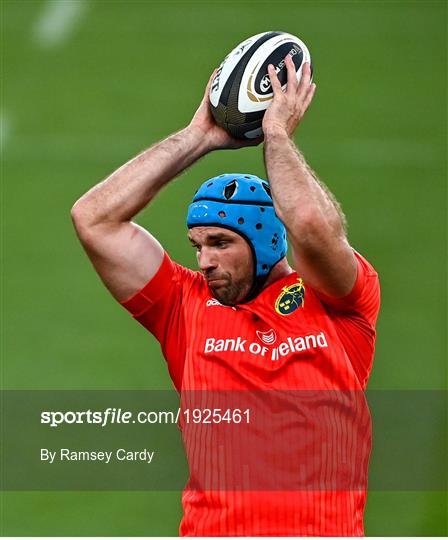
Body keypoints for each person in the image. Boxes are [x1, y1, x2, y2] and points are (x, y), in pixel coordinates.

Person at [72, 57, 380, 536]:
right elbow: (94, 219)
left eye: (220, 243)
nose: (204, 261)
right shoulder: (184, 307)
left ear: (265, 241)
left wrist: (277, 135)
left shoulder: (340, 304)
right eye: (197, 245)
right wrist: (200, 135)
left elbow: (313, 227)